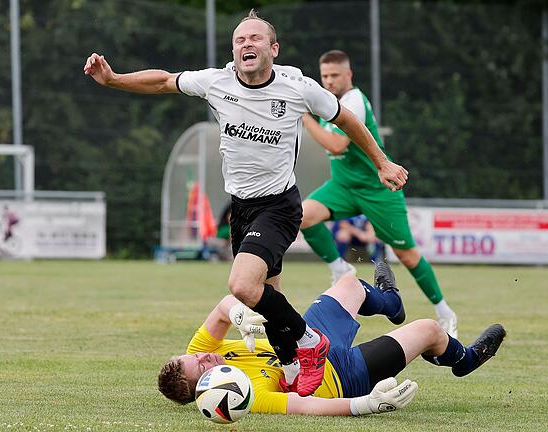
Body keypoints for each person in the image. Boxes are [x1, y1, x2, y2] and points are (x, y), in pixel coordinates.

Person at [84, 11, 409, 396]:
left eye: (255, 38)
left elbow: (349, 120)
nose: (246, 44)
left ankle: (309, 344)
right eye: (239, 40)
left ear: (273, 49)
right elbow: (163, 82)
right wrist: (114, 79)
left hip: (279, 205)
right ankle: (289, 367)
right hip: (242, 209)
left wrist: (382, 162)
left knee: (241, 285)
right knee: (269, 299)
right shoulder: (216, 81)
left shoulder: (298, 87)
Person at [157, 261, 506, 416]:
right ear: (206, 391)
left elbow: (222, 307)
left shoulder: (200, 350)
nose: (206, 358)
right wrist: (367, 404)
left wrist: (237, 313)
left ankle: (391, 302)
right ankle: (465, 360)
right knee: (430, 329)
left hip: (309, 339)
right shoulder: (240, 396)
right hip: (344, 376)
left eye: (197, 357)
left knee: (350, 283)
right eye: (201, 367)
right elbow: (307, 405)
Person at [299, 50, 459, 337]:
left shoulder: (353, 101)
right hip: (343, 187)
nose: (330, 81)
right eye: (325, 76)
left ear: (349, 75)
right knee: (302, 216)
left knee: (407, 255)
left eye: (335, 75)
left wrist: (304, 116)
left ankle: (445, 312)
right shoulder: (327, 103)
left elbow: (336, 145)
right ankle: (341, 269)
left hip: (378, 189)